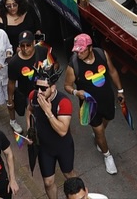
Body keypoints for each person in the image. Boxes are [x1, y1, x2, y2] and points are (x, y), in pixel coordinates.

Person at [64, 34, 123, 175]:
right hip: (90, 106)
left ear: (90, 48)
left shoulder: (102, 54)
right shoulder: (73, 66)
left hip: (107, 99)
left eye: (82, 50)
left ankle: (99, 136)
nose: (79, 54)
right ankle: (107, 155)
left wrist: (120, 90)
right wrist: (76, 92)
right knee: (99, 131)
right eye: (77, 51)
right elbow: (67, 85)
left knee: (106, 121)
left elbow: (113, 71)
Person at [27, 63, 77, 199]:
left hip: (63, 147)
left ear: (53, 87)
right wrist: (30, 129)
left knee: (69, 176)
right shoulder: (33, 96)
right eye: (37, 87)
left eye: (43, 88)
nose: (39, 91)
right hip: (44, 148)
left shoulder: (63, 102)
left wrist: (48, 112)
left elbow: (62, 131)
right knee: (48, 182)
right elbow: (29, 111)